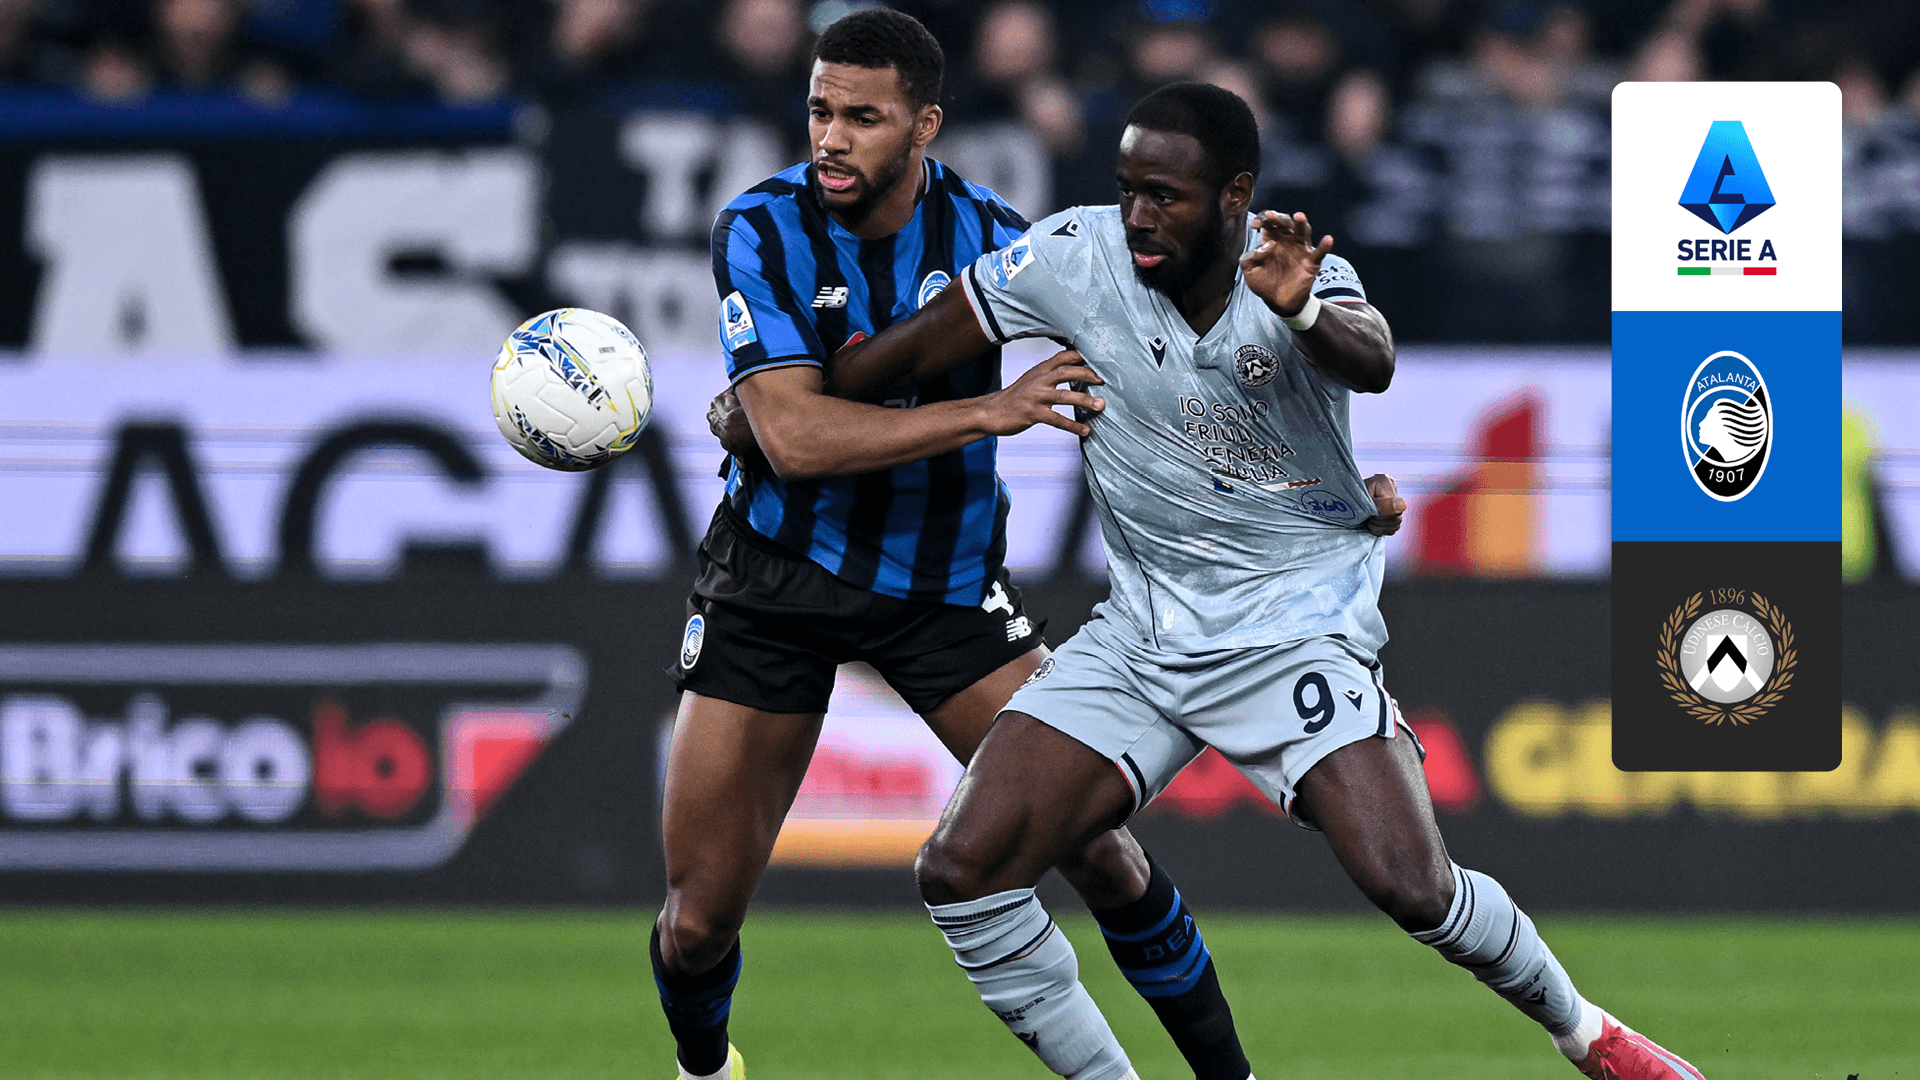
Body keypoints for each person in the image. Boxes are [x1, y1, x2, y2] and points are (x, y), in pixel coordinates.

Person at [820, 81, 1711, 1080]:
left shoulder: (1292, 276)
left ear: (1235, 196)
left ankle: (1589, 1034)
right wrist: (789, 395)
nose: (1139, 215)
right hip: (1142, 638)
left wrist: (1304, 308)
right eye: (1128, 189)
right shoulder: (1074, 256)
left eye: (1166, 195)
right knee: (961, 870)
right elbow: (908, 351)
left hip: (1293, 629)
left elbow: (1371, 358)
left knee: (1413, 886)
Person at [653, 13, 1268, 1080]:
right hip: (772, 582)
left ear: (925, 125)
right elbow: (794, 441)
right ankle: (705, 1068)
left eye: (862, 117)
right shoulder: (759, 228)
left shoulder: (994, 234)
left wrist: (1301, 459)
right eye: (819, 111)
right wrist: (989, 411)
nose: (830, 138)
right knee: (700, 919)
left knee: (1102, 853)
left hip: (944, 589)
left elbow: (1155, 343)